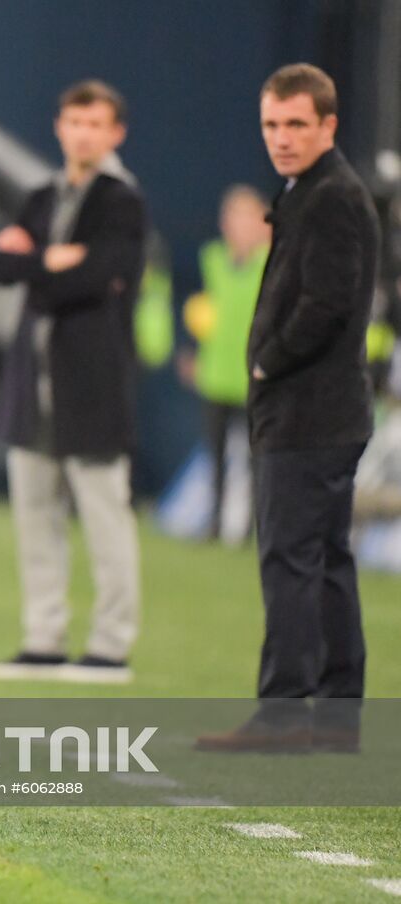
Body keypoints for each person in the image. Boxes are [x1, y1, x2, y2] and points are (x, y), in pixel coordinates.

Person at [197, 64, 379, 753]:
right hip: (322, 414)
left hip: (309, 414)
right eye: (272, 124)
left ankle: (282, 715)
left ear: (329, 125)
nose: (281, 137)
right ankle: (335, 718)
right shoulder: (311, 188)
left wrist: (268, 360)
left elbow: (327, 304)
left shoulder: (332, 195)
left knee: (292, 561)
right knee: (326, 562)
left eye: (296, 124)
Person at [0, 80, 147, 685]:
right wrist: (52, 260)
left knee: (106, 515)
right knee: (35, 516)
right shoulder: (43, 195)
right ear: (59, 127)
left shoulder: (120, 200)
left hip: (92, 383)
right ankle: (44, 640)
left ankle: (110, 646)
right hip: (34, 383)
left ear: (115, 133)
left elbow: (104, 275)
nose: (84, 134)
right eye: (75, 122)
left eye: (96, 124)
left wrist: (39, 264)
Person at [180, 185, 271, 541]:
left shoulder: (272, 261)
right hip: (216, 374)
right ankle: (214, 523)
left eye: (247, 217)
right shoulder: (213, 258)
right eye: (233, 217)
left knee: (256, 460)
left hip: (255, 376)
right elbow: (206, 311)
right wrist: (197, 357)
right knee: (215, 456)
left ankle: (251, 528)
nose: (239, 225)